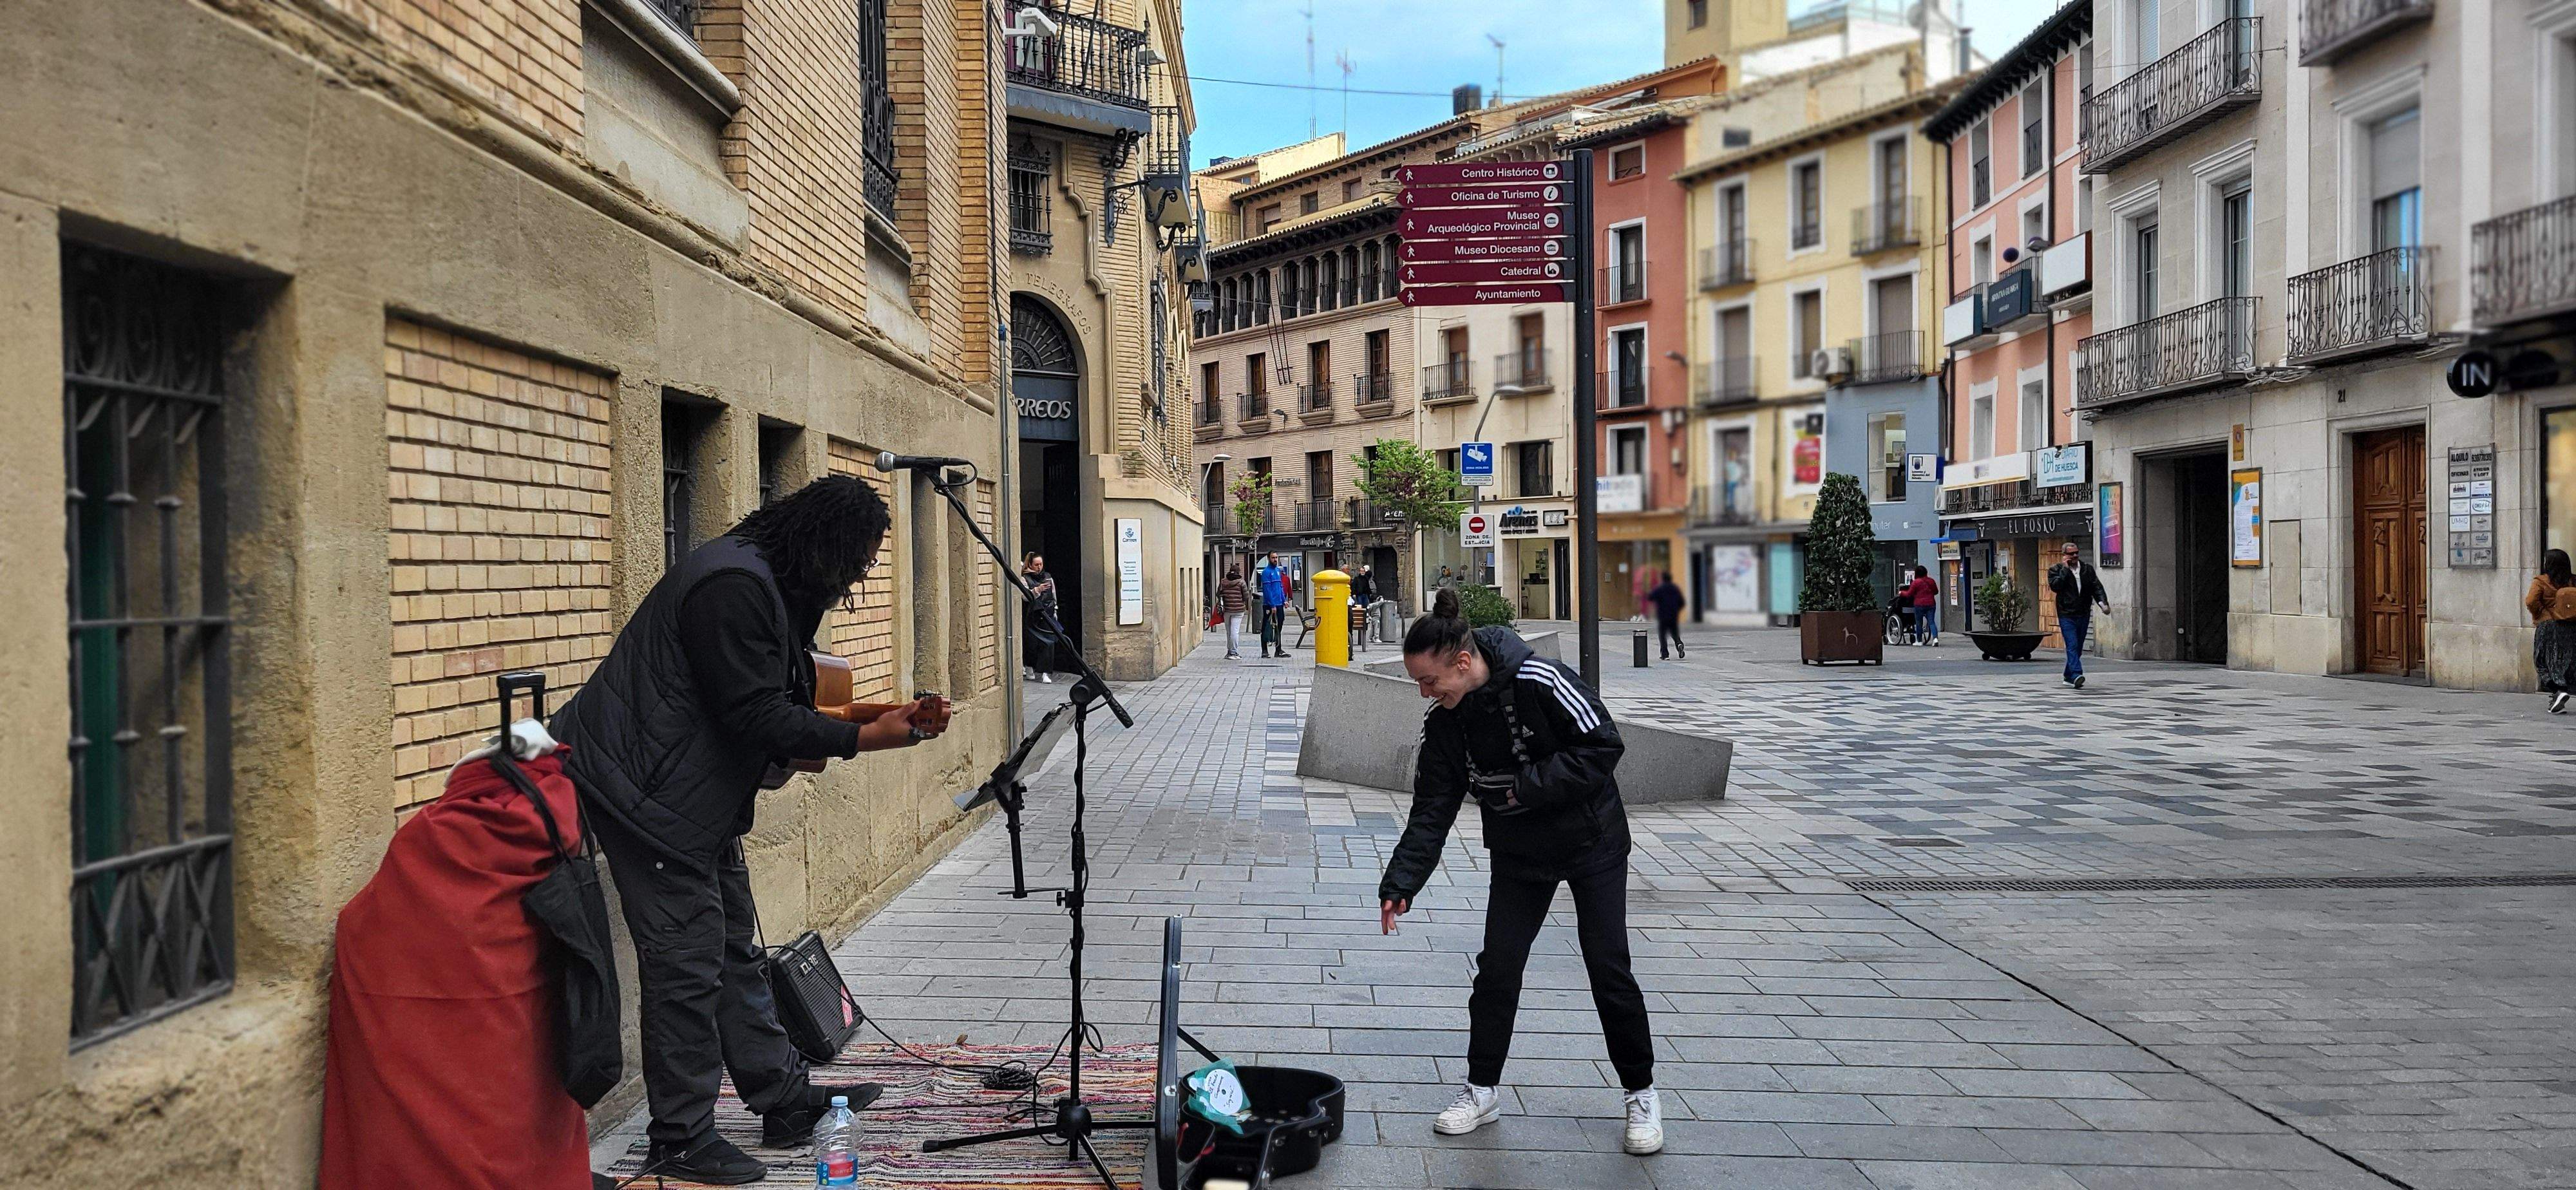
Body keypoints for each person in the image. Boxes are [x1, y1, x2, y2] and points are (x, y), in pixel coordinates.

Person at [551, 476, 949, 1184]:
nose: (854, 581)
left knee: (734, 949)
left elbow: (782, 697)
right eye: (854, 565)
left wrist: (881, 714)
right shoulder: (730, 587)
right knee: (686, 966)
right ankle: (679, 1137)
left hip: (689, 796)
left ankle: (783, 1099)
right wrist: (868, 740)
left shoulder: (767, 581)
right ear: (823, 546)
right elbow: (754, 715)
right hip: (645, 796)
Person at [1378, 589, 1663, 1156]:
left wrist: (1523, 787)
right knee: (1497, 970)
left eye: (1430, 681)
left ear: (1463, 663)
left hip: (1592, 840)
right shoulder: (1446, 724)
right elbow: (1433, 806)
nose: (1425, 692)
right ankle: (1481, 1091)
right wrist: (1401, 884)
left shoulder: (1541, 679)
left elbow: (1604, 746)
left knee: (1609, 968)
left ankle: (1642, 1092)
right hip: (1519, 852)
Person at [2047, 542, 2109, 688]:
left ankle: (2068, 677)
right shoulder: (2055, 570)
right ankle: (2076, 674)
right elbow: (2056, 586)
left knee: (2079, 646)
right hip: (2066, 614)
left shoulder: (2087, 570)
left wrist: (2102, 603)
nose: (2075, 556)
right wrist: (2065, 570)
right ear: (2065, 556)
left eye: (2077, 553)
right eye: (2071, 554)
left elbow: (2096, 587)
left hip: (2083, 613)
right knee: (2072, 644)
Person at [2528, 548, 2576, 714]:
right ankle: (2560, 693)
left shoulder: (2541, 581)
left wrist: (2540, 614)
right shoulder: (2573, 581)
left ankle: (2558, 691)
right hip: (2570, 626)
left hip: (2548, 626)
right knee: (2565, 661)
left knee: (2542, 661)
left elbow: (2531, 601)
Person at [1022, 554, 1058, 684]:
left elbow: (1053, 594)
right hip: (1033, 614)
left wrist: (1055, 609)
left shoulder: (1048, 577)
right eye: (1036, 564)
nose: (1039, 567)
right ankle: (1029, 666)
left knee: (1048, 643)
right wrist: (1037, 590)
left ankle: (1046, 673)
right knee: (1031, 643)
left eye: (1041, 564)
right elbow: (1025, 597)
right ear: (1030, 565)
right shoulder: (1025, 578)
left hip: (1047, 612)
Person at [1258, 552, 1293, 658]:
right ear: (1269, 559)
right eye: (1273, 558)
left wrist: (1284, 600)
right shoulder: (1266, 572)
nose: (1275, 560)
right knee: (1266, 626)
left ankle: (1278, 649)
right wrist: (1272, 605)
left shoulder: (1278, 571)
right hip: (1270, 605)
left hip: (1279, 604)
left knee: (1279, 626)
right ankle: (1264, 650)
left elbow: (1280, 587)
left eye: (1276, 557)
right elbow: (1267, 590)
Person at [1645, 570, 1686, 660]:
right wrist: (1676, 610)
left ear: (1662, 579)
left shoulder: (1660, 589)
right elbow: (1682, 602)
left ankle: (1665, 654)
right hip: (1673, 616)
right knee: (1674, 633)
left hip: (1663, 616)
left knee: (1663, 635)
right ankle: (1679, 643)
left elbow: (1650, 598)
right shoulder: (1675, 589)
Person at [1216, 567, 1252, 661]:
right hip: (1238, 610)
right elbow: (1246, 596)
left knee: (1229, 632)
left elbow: (1218, 594)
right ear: (1238, 572)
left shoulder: (1223, 582)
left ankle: (1229, 651)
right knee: (1235, 631)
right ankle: (1234, 652)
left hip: (1227, 610)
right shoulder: (1241, 582)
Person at [1905, 565, 1940, 647]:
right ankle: (1935, 639)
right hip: (1931, 604)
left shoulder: (1916, 582)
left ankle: (1919, 641)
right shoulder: (1931, 581)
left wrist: (1902, 593)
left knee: (1919, 623)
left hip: (1919, 605)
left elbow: (1909, 594)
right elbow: (1936, 591)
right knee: (1931, 622)